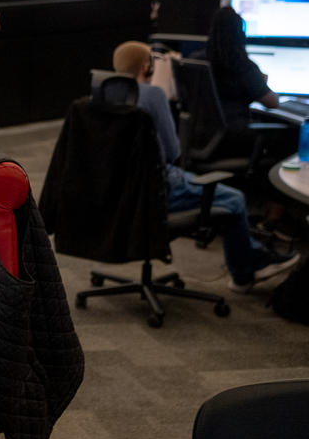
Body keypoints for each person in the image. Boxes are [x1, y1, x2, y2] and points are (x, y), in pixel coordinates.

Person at [112, 41, 298, 293]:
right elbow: (173, 152)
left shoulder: (104, 94)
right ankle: (245, 273)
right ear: (146, 67)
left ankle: (250, 261)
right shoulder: (152, 95)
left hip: (119, 192)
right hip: (160, 189)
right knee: (233, 200)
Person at [204, 6, 279, 132]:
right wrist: (260, 83)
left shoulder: (199, 60)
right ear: (240, 35)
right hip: (236, 135)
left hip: (204, 133)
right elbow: (273, 103)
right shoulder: (243, 66)